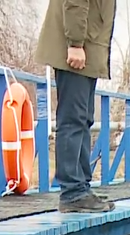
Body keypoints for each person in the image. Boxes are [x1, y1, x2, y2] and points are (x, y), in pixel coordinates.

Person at [36, 0, 116, 214]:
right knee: (73, 119)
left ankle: (80, 188)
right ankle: (72, 192)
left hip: (88, 47)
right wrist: (75, 43)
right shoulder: (77, 45)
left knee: (82, 119)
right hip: (79, 47)